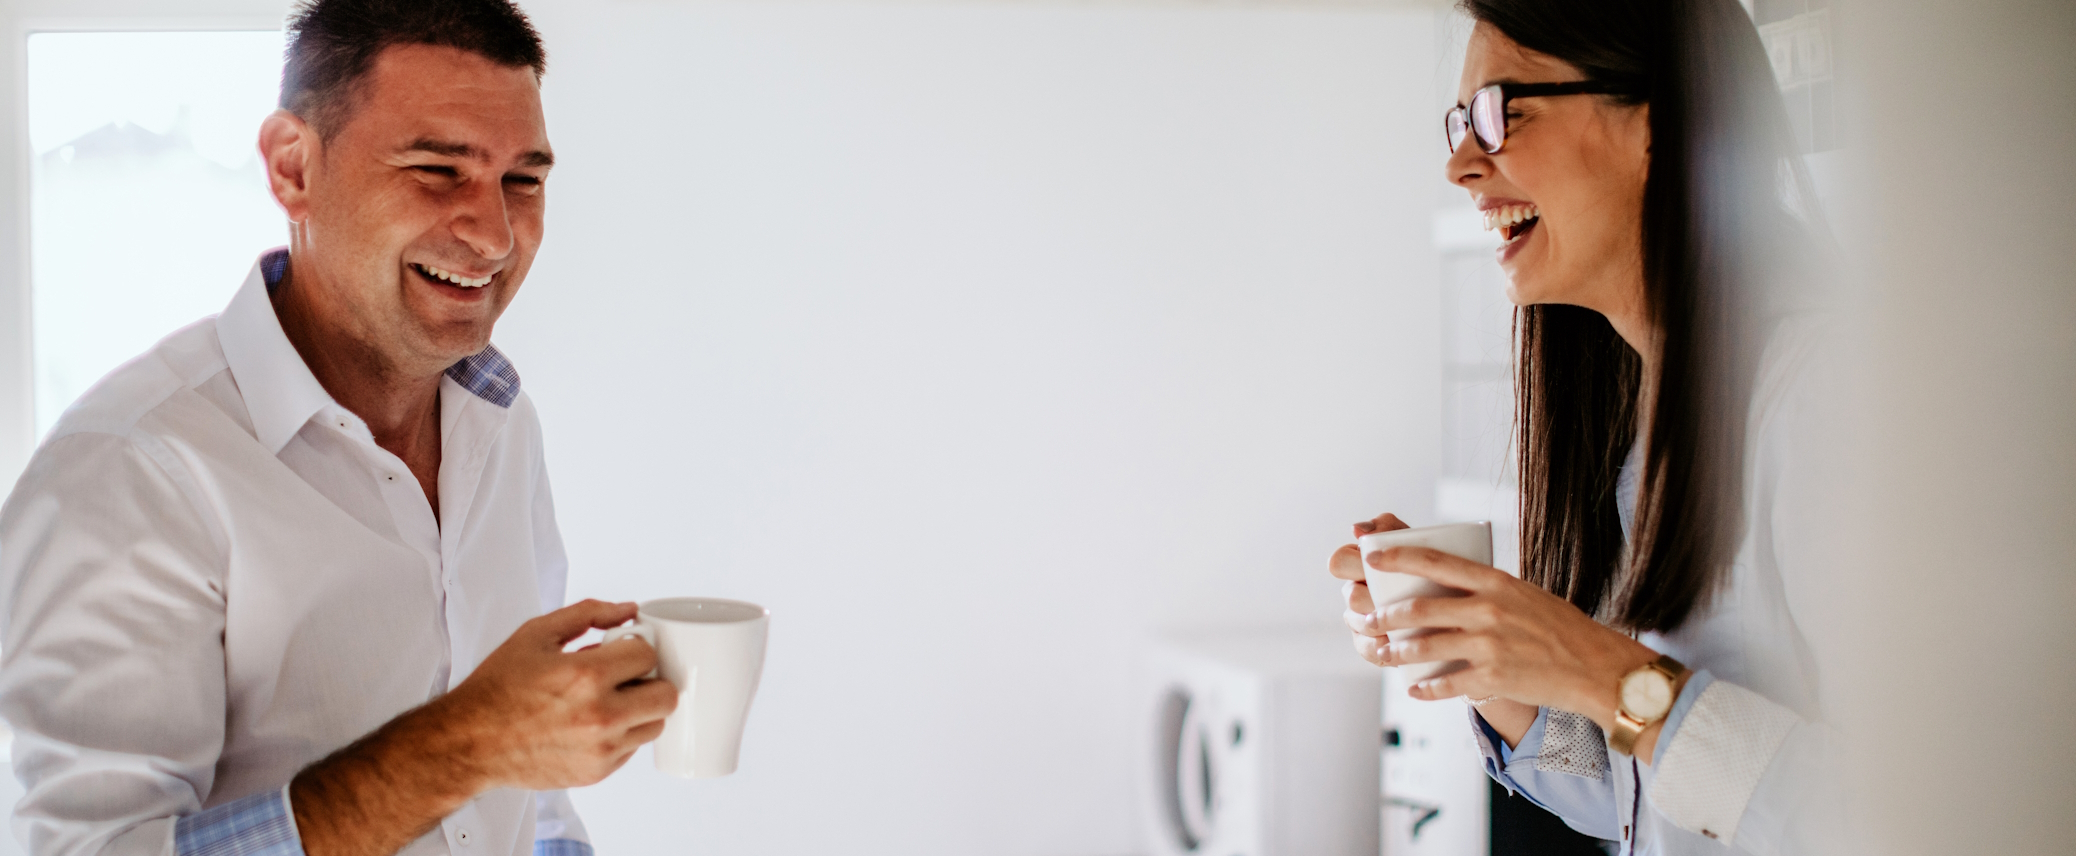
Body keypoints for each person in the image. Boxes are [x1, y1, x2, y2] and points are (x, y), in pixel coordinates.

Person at [0, 2, 678, 855]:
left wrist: (518, 768)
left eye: (524, 180)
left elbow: (529, 797)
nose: (496, 235)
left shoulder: (500, 424)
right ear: (294, 169)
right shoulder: (127, 471)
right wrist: (462, 746)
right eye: (438, 169)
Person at [1328, 0, 1837, 853]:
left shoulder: (1822, 399)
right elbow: (1647, 799)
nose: (1460, 164)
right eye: (1459, 123)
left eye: (1498, 112)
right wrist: (1482, 661)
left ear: (1656, 123)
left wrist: (1601, 671)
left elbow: (1928, 815)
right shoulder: (1650, 431)